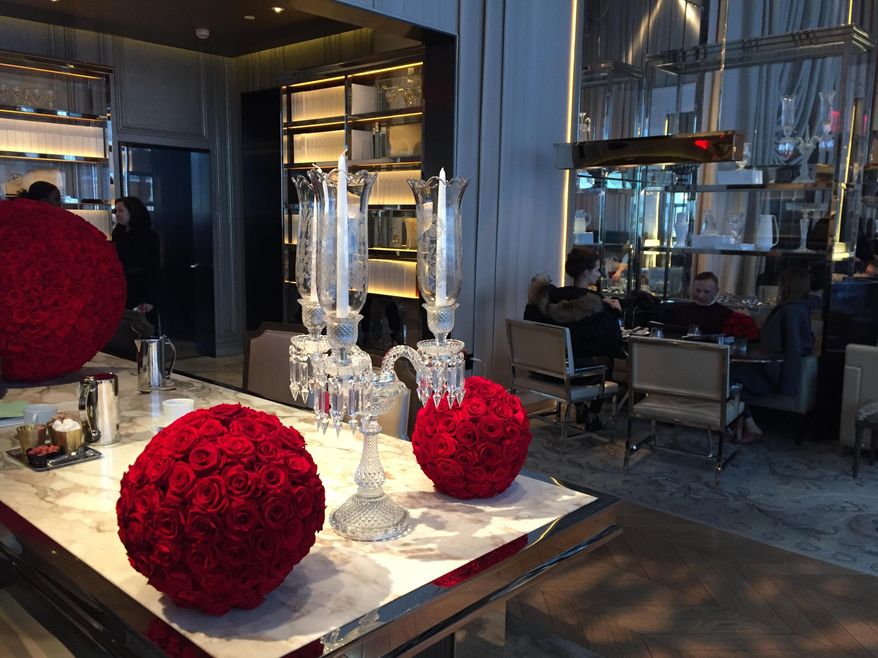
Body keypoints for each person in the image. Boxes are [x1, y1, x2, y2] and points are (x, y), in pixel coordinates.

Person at [524, 247, 625, 430]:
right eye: (596, 269)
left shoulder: (548, 299)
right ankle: (592, 416)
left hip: (543, 370)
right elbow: (612, 342)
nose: (600, 274)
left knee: (576, 353)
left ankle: (580, 407)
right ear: (586, 273)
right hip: (569, 376)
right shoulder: (594, 304)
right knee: (606, 359)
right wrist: (615, 312)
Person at [732, 267, 814, 439]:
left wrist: (789, 384)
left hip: (773, 372)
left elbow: (792, 346)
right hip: (770, 368)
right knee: (729, 374)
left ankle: (747, 424)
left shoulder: (791, 311)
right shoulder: (798, 309)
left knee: (727, 375)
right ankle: (744, 423)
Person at [112, 196, 160, 331]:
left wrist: (148, 297)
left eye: (120, 211)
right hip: (121, 285)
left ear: (132, 212)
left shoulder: (147, 236)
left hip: (139, 286)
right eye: (116, 211)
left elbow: (152, 267)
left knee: (140, 327)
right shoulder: (118, 233)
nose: (117, 214)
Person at [659, 271, 733, 334]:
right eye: (698, 290)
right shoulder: (680, 310)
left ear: (716, 291)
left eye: (706, 292)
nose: (701, 295)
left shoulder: (726, 314)